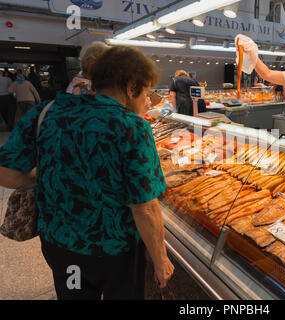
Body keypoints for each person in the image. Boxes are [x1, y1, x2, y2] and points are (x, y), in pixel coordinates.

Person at [0, 45, 174, 300]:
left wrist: (43, 176)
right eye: (145, 92)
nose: (145, 100)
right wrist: (160, 259)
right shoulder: (131, 127)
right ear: (131, 87)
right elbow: (144, 208)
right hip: (115, 250)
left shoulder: (46, 112)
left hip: (60, 243)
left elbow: (5, 172)